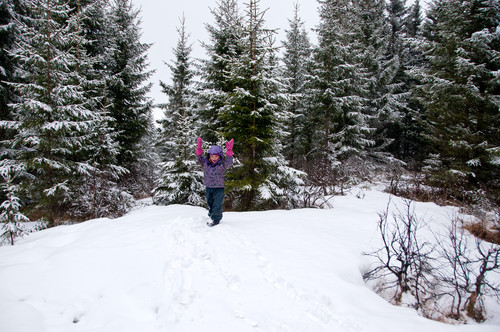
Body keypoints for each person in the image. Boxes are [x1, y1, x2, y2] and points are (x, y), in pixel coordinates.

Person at [196, 137, 234, 227]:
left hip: (219, 189)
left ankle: (216, 220)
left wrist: (229, 151)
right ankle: (211, 215)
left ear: (219, 156)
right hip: (208, 187)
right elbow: (199, 157)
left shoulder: (222, 165)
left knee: (217, 205)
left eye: (216, 156)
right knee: (210, 203)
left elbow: (229, 162)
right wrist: (199, 148)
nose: (214, 158)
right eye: (212, 156)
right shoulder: (205, 164)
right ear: (209, 156)